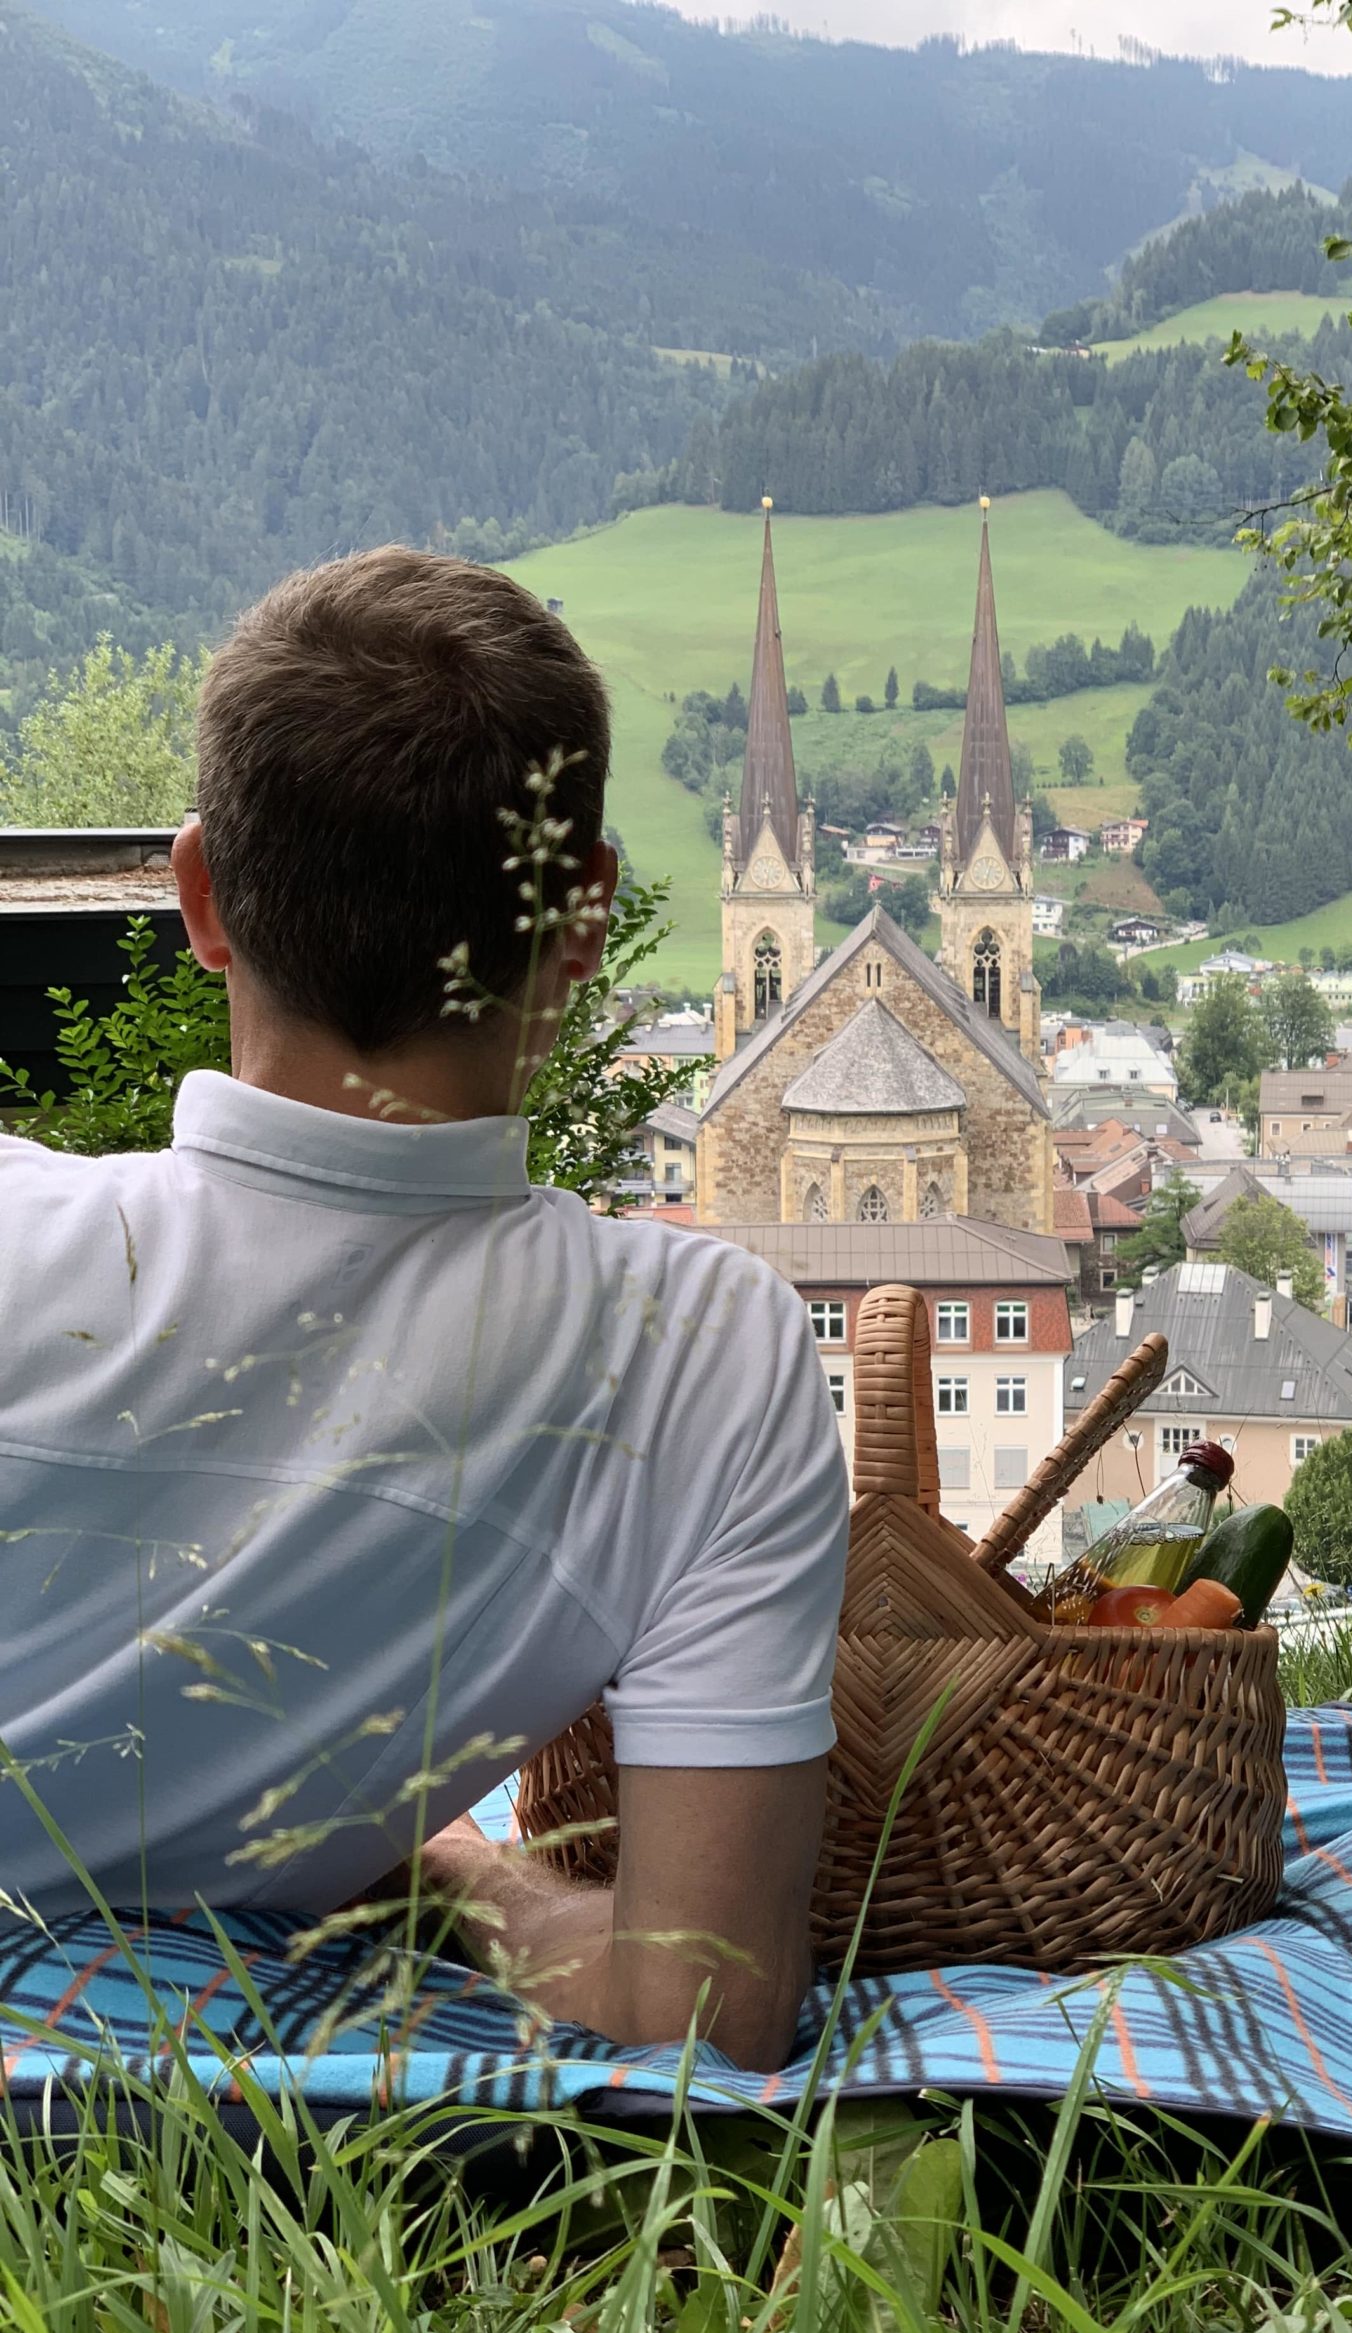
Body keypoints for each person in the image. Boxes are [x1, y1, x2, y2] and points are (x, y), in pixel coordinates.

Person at [0, 550, 847, 2070]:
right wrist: (462, 1876)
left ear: (198, 894)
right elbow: (704, 2009)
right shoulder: (698, 1354)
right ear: (582, 916)